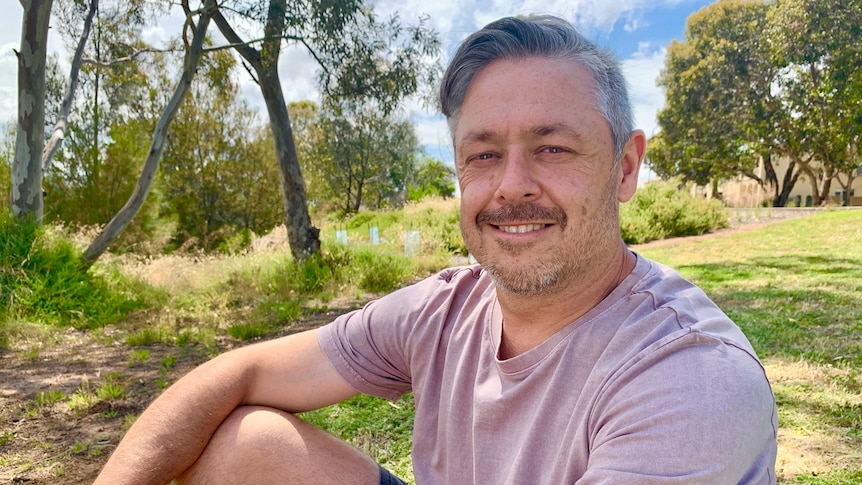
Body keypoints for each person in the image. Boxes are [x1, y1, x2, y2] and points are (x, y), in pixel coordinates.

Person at [94, 15, 777, 485]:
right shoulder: (444, 310)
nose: (512, 187)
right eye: (483, 154)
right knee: (247, 444)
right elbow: (236, 373)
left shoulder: (689, 379)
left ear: (625, 167)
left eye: (553, 148)